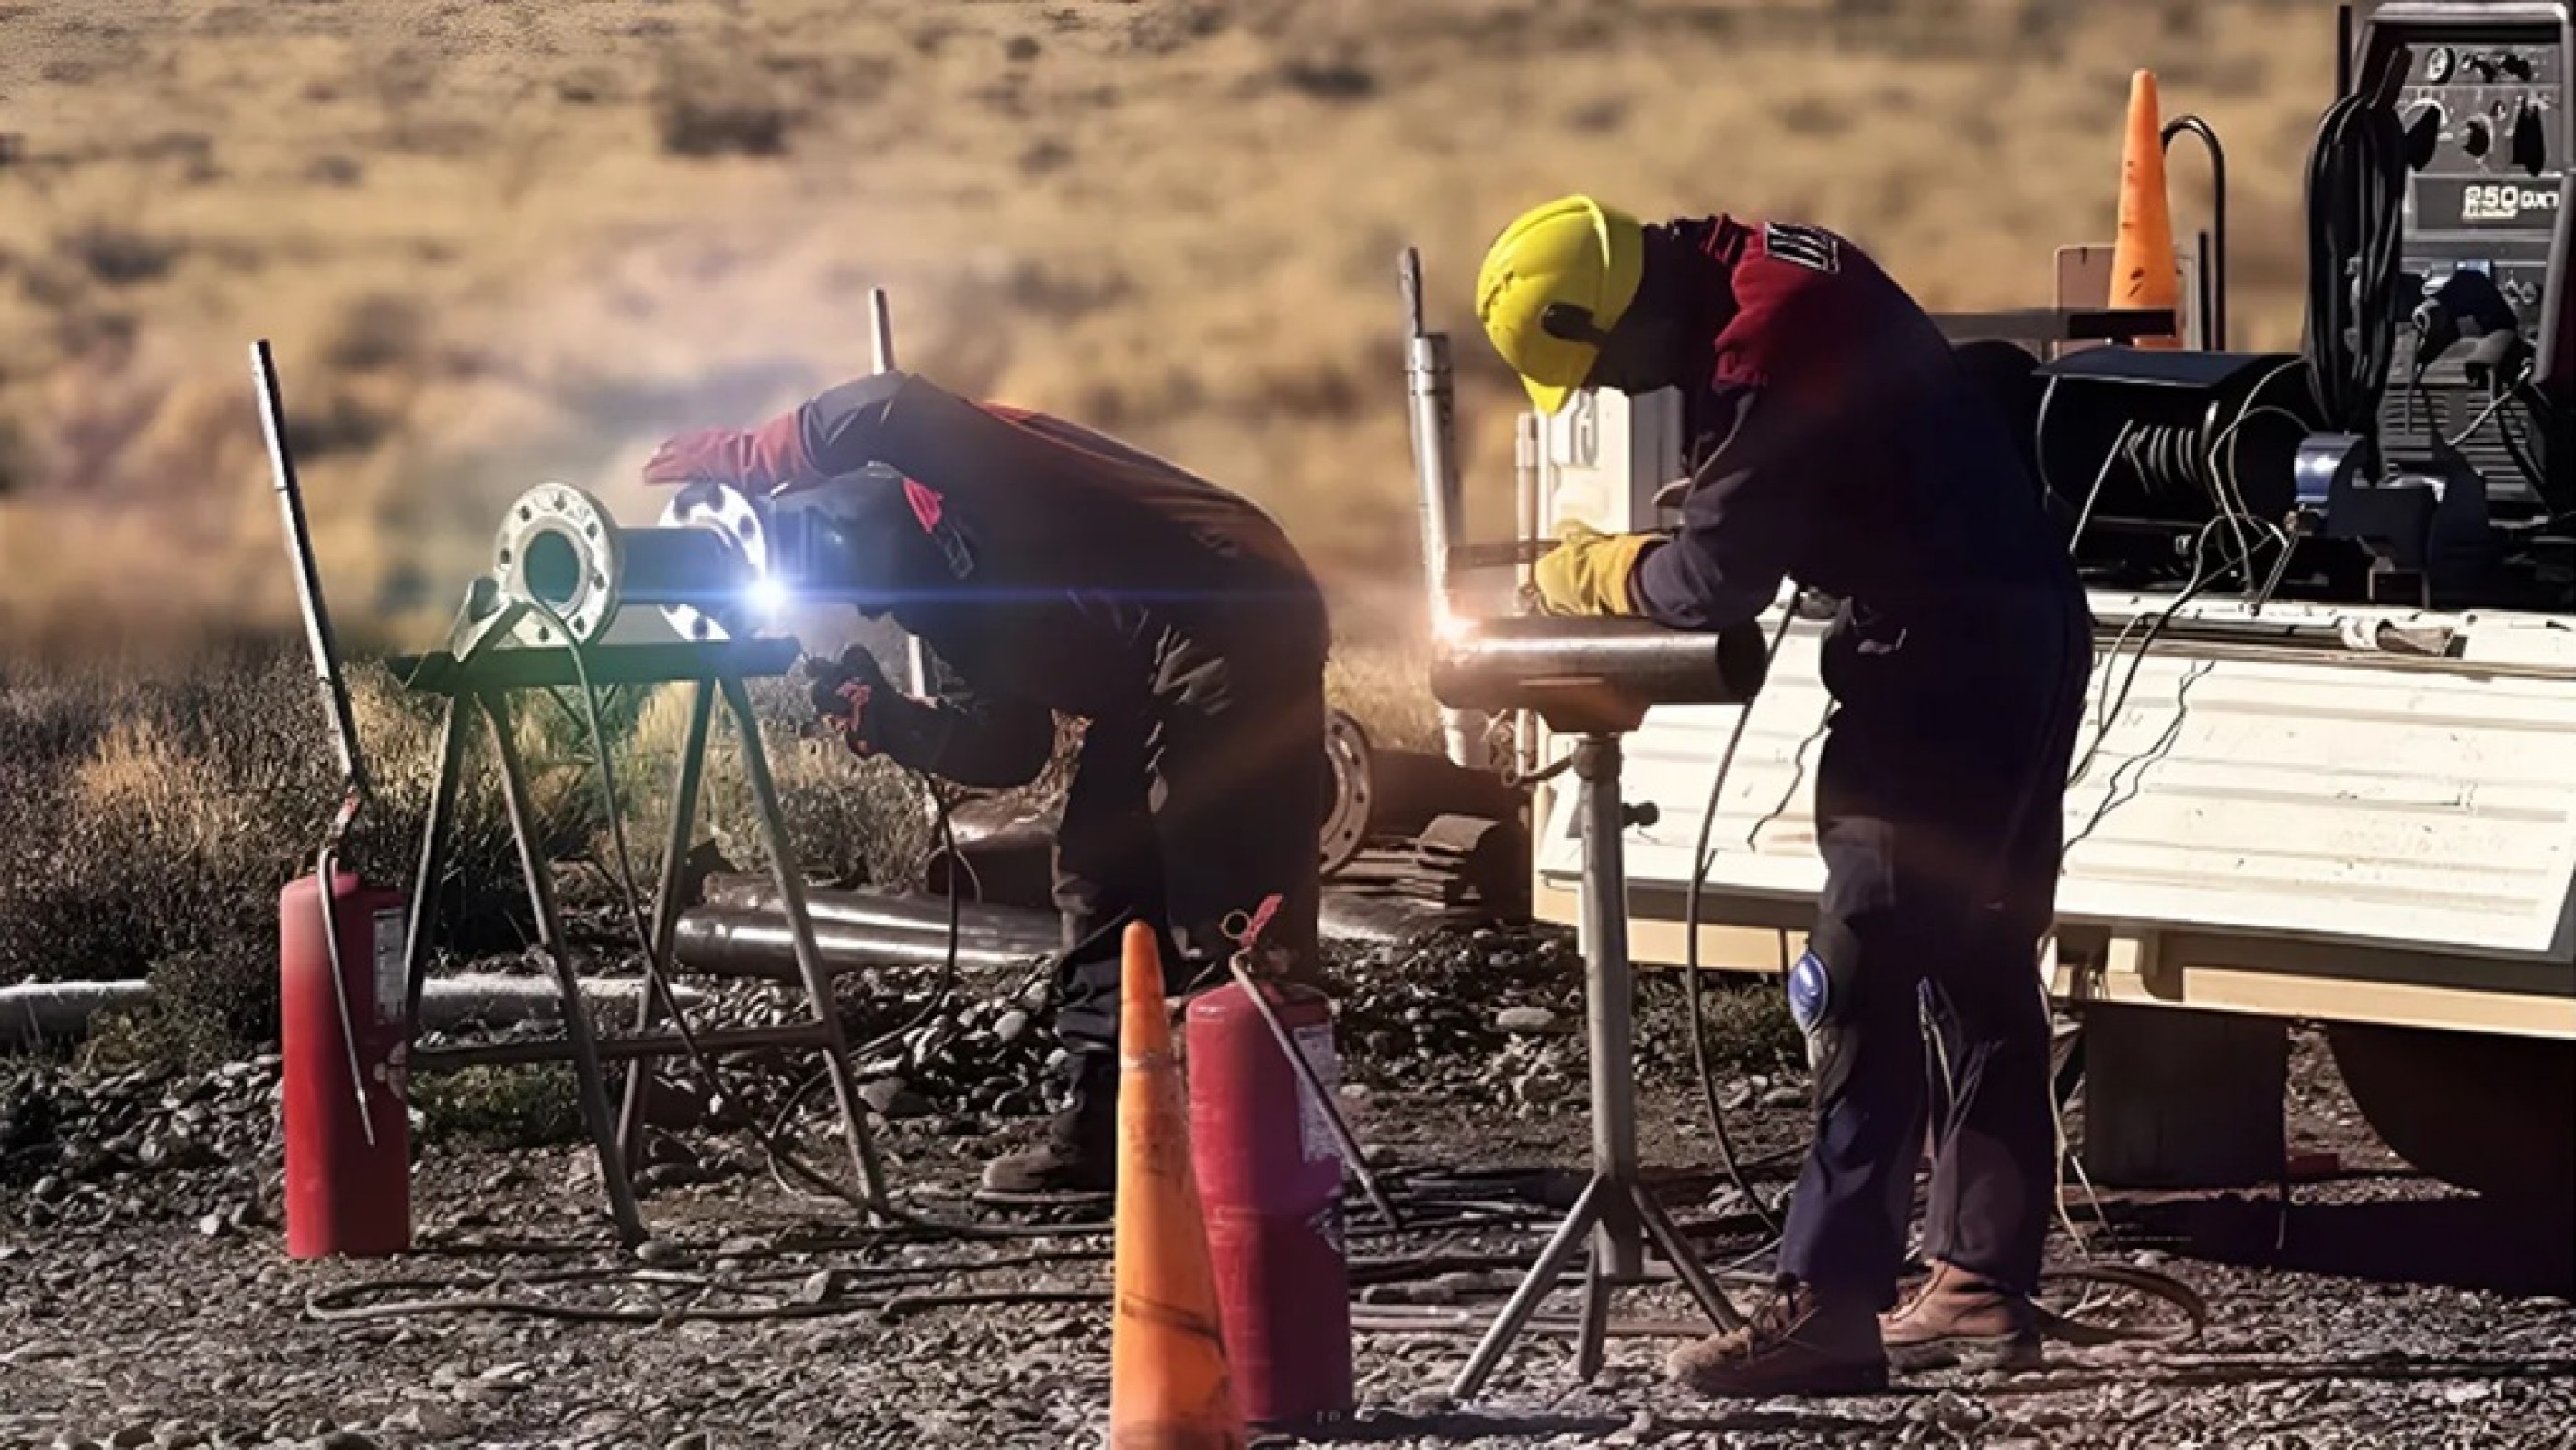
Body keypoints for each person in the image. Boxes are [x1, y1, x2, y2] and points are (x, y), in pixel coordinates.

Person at [1472, 196, 2094, 1396]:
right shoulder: (1740, 265)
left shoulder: (1765, 336)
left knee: (1861, 967)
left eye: (1604, 371)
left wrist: (1594, 566)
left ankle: (1827, 1301)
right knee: (1974, 964)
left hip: (1948, 663)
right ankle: (1976, 1281)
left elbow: (1710, 583)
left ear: (1614, 310)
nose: (1622, 396)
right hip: (2000, 630)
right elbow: (1792, 482)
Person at [640, 370, 1331, 1196]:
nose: (864, 604)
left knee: (1214, 852)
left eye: (847, 570)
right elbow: (1008, 748)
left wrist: (755, 455)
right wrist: (891, 718)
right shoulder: (942, 606)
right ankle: (1105, 1140)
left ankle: (1272, 1149)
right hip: (1150, 673)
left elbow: (888, 403)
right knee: (1100, 872)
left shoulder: (959, 481)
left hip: (1232, 606)